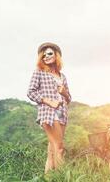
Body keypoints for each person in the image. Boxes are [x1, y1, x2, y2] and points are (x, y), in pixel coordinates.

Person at [27, 42, 72, 174]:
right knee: (59, 148)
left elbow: (69, 98)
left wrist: (64, 93)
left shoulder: (62, 76)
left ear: (57, 55)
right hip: (48, 113)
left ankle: (47, 178)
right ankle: (63, 177)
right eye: (43, 55)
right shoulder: (39, 72)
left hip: (62, 114)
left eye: (50, 53)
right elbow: (31, 92)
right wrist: (49, 102)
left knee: (52, 152)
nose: (46, 56)